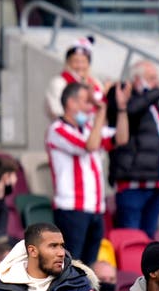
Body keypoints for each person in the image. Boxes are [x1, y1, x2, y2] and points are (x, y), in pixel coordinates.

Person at [47, 81, 130, 266]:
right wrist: (101, 112)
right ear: (71, 103)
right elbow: (90, 145)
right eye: (86, 101)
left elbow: (121, 138)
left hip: (95, 208)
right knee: (71, 265)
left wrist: (122, 109)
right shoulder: (57, 129)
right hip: (72, 208)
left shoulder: (88, 129)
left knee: (89, 266)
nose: (91, 106)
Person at [106, 62, 159, 238]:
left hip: (157, 183)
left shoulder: (152, 102)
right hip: (133, 183)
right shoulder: (125, 96)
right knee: (130, 239)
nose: (157, 82)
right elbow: (130, 111)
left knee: (149, 239)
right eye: (151, 78)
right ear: (137, 79)